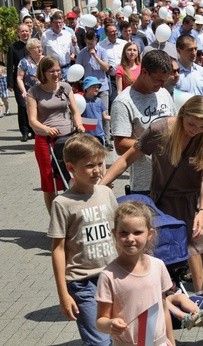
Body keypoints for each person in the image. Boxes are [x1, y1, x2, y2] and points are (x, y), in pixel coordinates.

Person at [100, 96, 203, 346]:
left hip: (197, 202)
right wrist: (101, 186)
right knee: (159, 271)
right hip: (166, 205)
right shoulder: (159, 130)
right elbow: (127, 158)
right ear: (183, 113)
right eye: (191, 124)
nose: (195, 130)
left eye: (201, 126)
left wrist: (202, 212)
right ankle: (154, 333)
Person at [48, 134, 116, 346]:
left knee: (121, 333)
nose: (97, 170)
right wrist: (63, 294)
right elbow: (57, 250)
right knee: (99, 342)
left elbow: (118, 233)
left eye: (100, 164)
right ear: (71, 167)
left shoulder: (106, 193)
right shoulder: (62, 203)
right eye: (89, 166)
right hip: (83, 283)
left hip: (113, 277)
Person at [95, 201, 176, 345]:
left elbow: (164, 310)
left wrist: (171, 341)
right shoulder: (109, 275)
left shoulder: (158, 266)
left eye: (137, 232)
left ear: (149, 233)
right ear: (114, 234)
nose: (130, 239)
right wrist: (110, 324)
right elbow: (101, 320)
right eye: (124, 233)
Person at [111, 50, 175, 195]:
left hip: (172, 179)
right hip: (145, 184)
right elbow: (120, 146)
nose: (162, 85)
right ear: (144, 72)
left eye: (165, 81)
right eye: (158, 80)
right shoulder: (123, 102)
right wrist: (154, 144)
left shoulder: (163, 93)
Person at [27, 56, 85, 213]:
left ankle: (73, 213)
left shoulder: (65, 87)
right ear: (43, 72)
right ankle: (55, 219)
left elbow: (75, 110)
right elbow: (32, 120)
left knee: (71, 175)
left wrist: (79, 124)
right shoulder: (34, 92)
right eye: (52, 71)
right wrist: (45, 129)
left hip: (67, 138)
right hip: (46, 141)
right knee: (49, 180)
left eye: (58, 70)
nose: (56, 74)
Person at [7, 24, 31, 141]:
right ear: (18, 33)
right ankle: (25, 131)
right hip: (18, 81)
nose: (25, 33)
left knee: (32, 105)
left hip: (32, 81)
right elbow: (10, 66)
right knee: (22, 105)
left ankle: (33, 129)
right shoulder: (13, 47)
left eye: (26, 31)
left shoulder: (33, 45)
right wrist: (10, 83)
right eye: (22, 31)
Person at [15, 37, 42, 139]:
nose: (39, 49)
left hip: (45, 93)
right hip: (31, 94)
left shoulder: (46, 60)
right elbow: (19, 78)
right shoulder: (24, 62)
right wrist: (23, 91)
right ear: (30, 50)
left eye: (40, 46)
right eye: (36, 47)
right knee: (34, 117)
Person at [41, 12, 80, 77]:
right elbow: (42, 52)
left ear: (63, 23)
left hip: (66, 69)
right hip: (51, 70)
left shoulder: (68, 35)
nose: (58, 25)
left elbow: (76, 53)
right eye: (56, 22)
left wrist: (75, 44)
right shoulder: (45, 35)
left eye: (60, 22)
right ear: (51, 23)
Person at [82, 76, 109, 143]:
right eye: (94, 86)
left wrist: (116, 118)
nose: (97, 89)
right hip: (86, 136)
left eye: (98, 87)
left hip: (99, 134)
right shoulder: (81, 101)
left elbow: (105, 116)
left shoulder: (99, 101)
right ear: (86, 88)